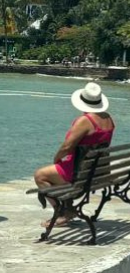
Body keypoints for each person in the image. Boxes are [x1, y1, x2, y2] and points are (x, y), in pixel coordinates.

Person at [34, 82, 115, 227]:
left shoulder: (85, 121)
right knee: (52, 172)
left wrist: (57, 158)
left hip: (80, 173)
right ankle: (68, 207)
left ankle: (62, 212)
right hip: (97, 171)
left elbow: (67, 146)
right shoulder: (108, 119)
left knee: (40, 175)